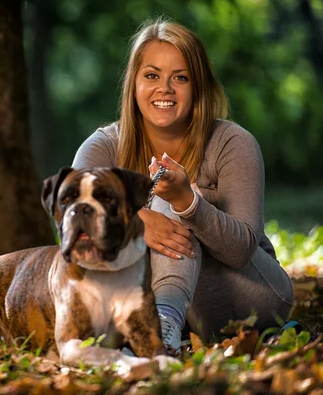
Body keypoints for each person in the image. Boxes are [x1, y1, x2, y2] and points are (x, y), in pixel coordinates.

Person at [71, 17, 295, 351]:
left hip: (249, 294)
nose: (165, 88)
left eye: (180, 77)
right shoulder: (103, 147)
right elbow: (74, 225)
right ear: (134, 84)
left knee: (164, 193)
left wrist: (188, 203)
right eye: (152, 75)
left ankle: (164, 325)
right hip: (141, 300)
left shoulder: (234, 143)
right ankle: (162, 325)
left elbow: (241, 251)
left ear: (198, 86)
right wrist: (136, 221)